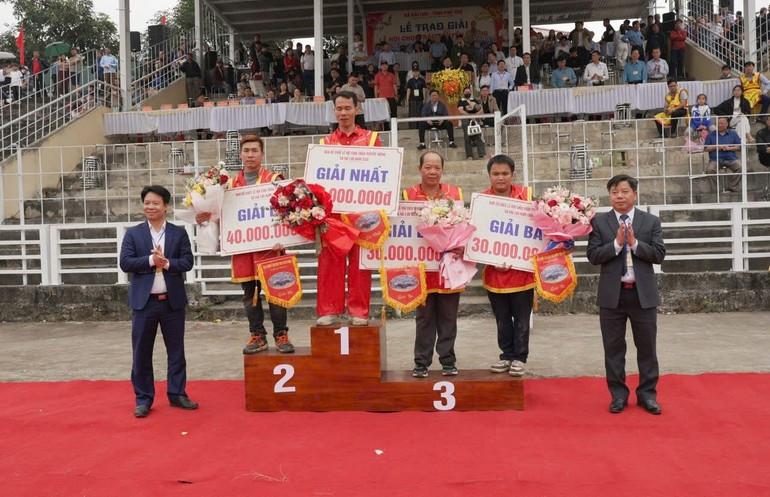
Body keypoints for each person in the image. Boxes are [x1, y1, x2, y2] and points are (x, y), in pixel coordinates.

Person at [195, 136, 294, 354]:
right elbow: (222, 216)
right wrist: (205, 216)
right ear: (240, 154)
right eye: (246, 150)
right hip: (244, 248)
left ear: (262, 154)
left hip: (270, 246)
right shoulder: (228, 185)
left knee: (276, 291)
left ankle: (281, 334)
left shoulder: (274, 179)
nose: (250, 154)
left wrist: (284, 235)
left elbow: (287, 212)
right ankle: (257, 335)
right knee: (250, 294)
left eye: (255, 151)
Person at [586, 174, 665, 415]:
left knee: (647, 349)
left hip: (642, 296)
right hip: (613, 296)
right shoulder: (599, 223)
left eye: (624, 191)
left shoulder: (650, 221)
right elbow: (593, 256)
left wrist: (634, 243)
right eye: (614, 192)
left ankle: (647, 395)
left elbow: (659, 254)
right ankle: (618, 395)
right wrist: (617, 244)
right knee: (613, 349)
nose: (619, 196)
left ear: (635, 194)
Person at [119, 185, 196, 418]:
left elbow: (187, 262)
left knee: (176, 351)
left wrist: (168, 264)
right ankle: (143, 399)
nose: (150, 207)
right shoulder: (133, 233)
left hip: (172, 302)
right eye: (147, 203)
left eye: (155, 203)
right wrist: (152, 261)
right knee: (141, 352)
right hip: (144, 304)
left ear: (166, 206)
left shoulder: (178, 233)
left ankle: (177, 393)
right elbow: (126, 263)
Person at [316, 91, 382, 326]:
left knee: (359, 264)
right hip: (333, 216)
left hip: (362, 214)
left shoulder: (372, 139)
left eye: (347, 108)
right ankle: (328, 309)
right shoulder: (325, 144)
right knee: (329, 263)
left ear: (357, 109)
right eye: (339, 109)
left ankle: (358, 311)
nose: (343, 113)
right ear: (334, 112)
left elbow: (382, 175)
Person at [403, 151, 464, 378]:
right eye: (428, 167)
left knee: (449, 317)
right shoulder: (407, 196)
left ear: (442, 170)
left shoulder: (454, 194)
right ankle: (421, 362)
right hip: (421, 268)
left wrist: (462, 246)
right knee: (424, 318)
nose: (432, 171)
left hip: (449, 267)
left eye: (437, 168)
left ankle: (448, 360)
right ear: (420, 169)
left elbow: (464, 226)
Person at [483, 155, 535, 378]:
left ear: (512, 174)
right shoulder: (482, 201)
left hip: (521, 272)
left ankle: (520, 358)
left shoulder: (527, 198)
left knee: (522, 319)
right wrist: (491, 258)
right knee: (502, 318)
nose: (500, 177)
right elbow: (476, 236)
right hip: (495, 273)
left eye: (505, 173)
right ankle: (506, 355)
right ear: (489, 176)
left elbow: (536, 231)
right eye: (496, 174)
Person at [704, 117, 742, 192]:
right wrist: (716, 147)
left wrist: (729, 148)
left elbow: (739, 147)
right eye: (718, 123)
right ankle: (715, 190)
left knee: (740, 167)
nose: (720, 125)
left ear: (727, 124)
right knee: (709, 170)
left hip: (731, 158)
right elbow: (706, 148)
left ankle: (733, 186)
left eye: (722, 123)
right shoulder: (711, 135)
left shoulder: (733, 134)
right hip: (715, 159)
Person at [457, 87, 486, 160]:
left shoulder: (475, 100)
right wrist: (470, 116)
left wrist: (475, 116)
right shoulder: (461, 101)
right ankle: (469, 156)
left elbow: (481, 109)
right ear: (463, 93)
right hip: (466, 119)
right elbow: (461, 111)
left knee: (479, 136)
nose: (467, 93)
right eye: (466, 92)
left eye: (469, 92)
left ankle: (482, 154)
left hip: (476, 119)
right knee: (467, 137)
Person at [374, 61, 398, 127]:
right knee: (384, 113)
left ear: (388, 66)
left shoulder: (391, 75)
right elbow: (376, 86)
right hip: (382, 97)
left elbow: (394, 85)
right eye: (383, 65)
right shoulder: (377, 75)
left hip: (391, 96)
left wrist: (396, 95)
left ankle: (394, 127)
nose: (384, 66)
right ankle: (386, 128)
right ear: (380, 67)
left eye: (385, 65)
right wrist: (376, 97)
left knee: (394, 112)